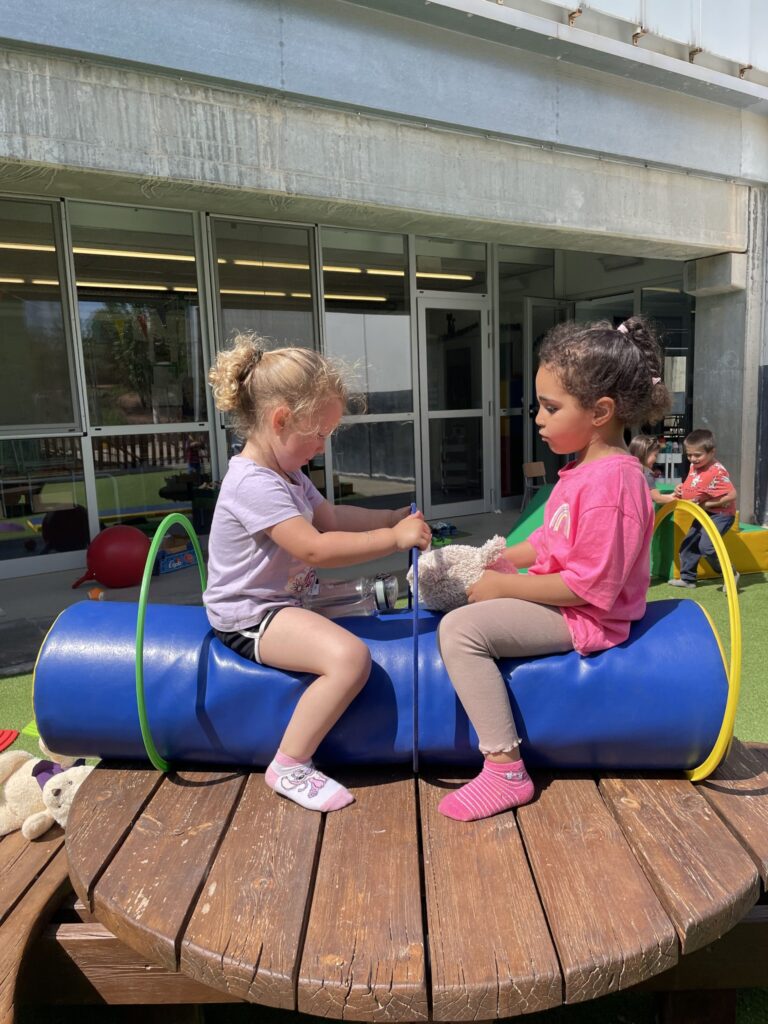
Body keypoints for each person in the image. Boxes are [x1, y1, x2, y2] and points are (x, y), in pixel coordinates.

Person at [436, 316, 670, 822]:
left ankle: (505, 770)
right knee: (464, 597)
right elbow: (550, 540)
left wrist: (504, 586)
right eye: (538, 406)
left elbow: (590, 586)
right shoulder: (582, 469)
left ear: (600, 411)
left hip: (588, 616)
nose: (538, 419)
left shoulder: (613, 483)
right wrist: (496, 557)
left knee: (461, 630)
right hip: (566, 602)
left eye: (551, 407)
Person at [204, 333, 432, 813]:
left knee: (377, 601)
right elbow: (315, 547)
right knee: (349, 658)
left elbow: (331, 518)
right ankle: (290, 763)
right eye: (319, 433)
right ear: (280, 420)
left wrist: (390, 517)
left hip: (290, 598)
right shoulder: (252, 483)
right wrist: (393, 539)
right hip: (252, 615)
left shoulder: (289, 474)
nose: (322, 446)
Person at [668, 428, 738, 590]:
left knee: (707, 546)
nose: (692, 459)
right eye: (689, 455)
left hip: (721, 515)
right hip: (703, 513)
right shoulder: (695, 466)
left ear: (712, 452)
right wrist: (681, 488)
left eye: (697, 455)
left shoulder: (717, 471)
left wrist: (708, 504)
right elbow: (695, 484)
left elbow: (732, 495)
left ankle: (730, 574)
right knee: (689, 544)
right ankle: (688, 579)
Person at [628, 433, 675, 505]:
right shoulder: (646, 473)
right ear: (644, 453)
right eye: (655, 455)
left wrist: (671, 496)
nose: (656, 460)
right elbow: (658, 499)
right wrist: (679, 500)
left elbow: (651, 496)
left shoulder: (630, 470)